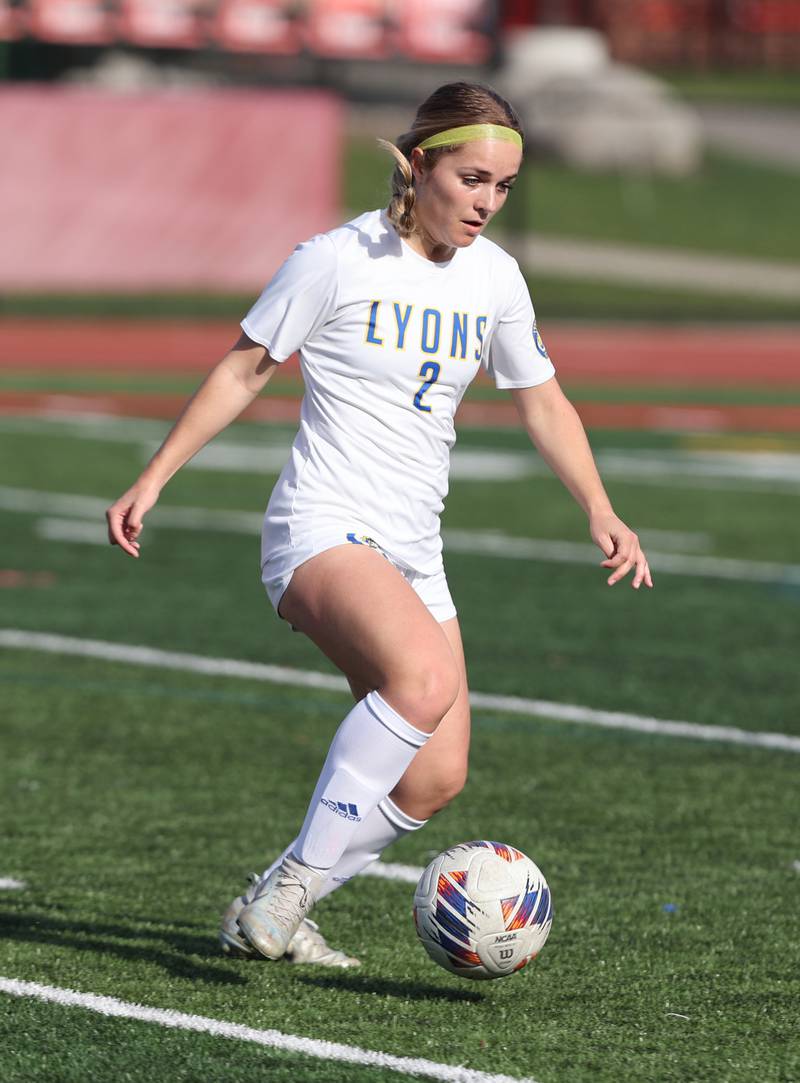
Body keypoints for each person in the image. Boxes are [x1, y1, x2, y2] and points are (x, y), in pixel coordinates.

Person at [107, 81, 652, 969]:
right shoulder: (336, 258)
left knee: (438, 776)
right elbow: (246, 370)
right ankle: (290, 891)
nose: (486, 202)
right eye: (472, 177)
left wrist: (600, 507)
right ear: (419, 163)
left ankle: (280, 897)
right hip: (321, 526)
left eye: (504, 187)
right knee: (422, 673)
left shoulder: (495, 278)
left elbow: (544, 400)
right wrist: (153, 478)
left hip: (414, 548)